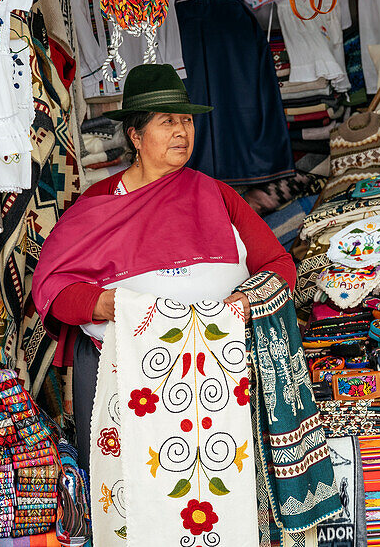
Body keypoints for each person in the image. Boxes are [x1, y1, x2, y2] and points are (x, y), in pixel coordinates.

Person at [32, 63, 296, 461]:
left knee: (210, 489)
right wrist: (104, 304)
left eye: (187, 120)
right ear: (135, 136)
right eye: (167, 121)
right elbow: (56, 288)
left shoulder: (217, 195)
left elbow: (279, 264)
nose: (181, 131)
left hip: (215, 375)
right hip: (124, 375)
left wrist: (244, 301)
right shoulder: (98, 203)